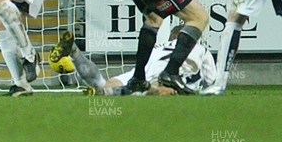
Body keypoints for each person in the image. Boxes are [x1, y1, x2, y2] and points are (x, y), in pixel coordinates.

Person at [48, 28, 216, 96]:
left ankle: (75, 53)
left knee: (105, 85)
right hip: (173, 78)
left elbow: (115, 81)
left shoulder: (157, 49)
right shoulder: (201, 49)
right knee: (167, 91)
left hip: (146, 74)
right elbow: (212, 83)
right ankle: (147, 89)